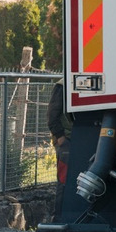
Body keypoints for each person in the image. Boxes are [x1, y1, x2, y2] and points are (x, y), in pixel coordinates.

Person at [47, 80, 72, 220]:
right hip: (66, 141)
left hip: (73, 138)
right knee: (64, 181)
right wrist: (60, 137)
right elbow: (52, 115)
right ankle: (58, 217)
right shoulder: (61, 86)